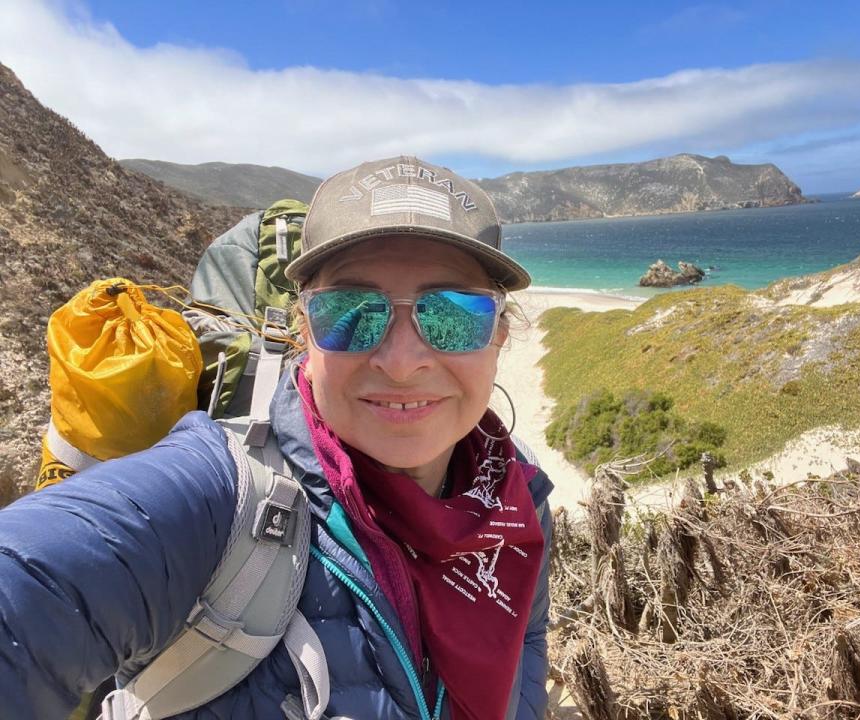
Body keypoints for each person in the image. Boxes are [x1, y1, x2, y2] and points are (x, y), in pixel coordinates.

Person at [0, 156, 553, 720]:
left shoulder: (518, 499)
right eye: (351, 311)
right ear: (303, 331)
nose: (401, 361)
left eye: (452, 313)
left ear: (500, 333)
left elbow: (525, 656)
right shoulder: (220, 496)